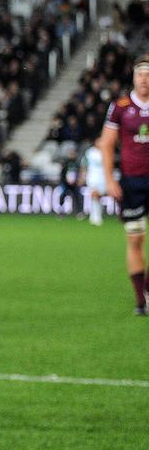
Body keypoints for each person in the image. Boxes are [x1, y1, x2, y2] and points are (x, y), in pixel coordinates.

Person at [96, 55, 149, 313]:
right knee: (136, 239)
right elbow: (107, 144)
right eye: (141, 73)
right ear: (134, 77)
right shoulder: (120, 106)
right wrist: (109, 178)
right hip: (132, 183)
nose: (145, 79)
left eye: (148, 74)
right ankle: (141, 301)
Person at [81, 140, 105, 226]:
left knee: (99, 197)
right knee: (95, 194)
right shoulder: (90, 152)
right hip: (93, 176)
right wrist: (83, 175)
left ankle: (96, 215)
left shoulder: (105, 151)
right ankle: (95, 217)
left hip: (103, 177)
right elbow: (84, 164)